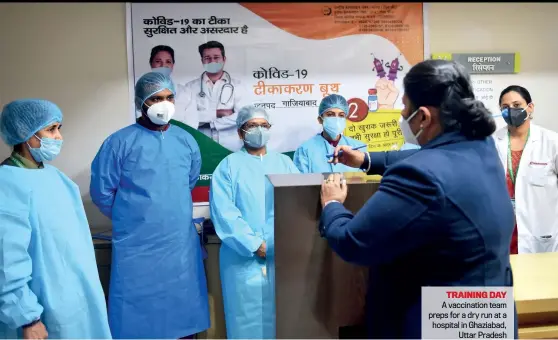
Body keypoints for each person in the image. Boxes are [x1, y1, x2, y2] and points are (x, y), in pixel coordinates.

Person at [319, 59, 517, 339]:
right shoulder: (482, 147)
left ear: (423, 117)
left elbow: (354, 242)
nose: (402, 113)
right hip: (485, 314)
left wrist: (333, 206)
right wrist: (366, 159)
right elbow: (424, 158)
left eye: (405, 107)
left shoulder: (420, 176)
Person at [90, 72, 209, 338]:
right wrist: (133, 217)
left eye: (169, 97)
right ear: (141, 102)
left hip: (179, 244)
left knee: (182, 314)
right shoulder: (119, 142)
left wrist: (165, 209)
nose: (163, 104)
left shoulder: (186, 140)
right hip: (137, 247)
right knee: (138, 319)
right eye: (156, 98)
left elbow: (187, 181)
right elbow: (101, 192)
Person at [0, 99, 111, 339]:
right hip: (40, 312)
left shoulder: (59, 180)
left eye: (59, 128)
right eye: (51, 130)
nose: (58, 137)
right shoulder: (6, 185)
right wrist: (27, 317)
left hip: (78, 303)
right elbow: (7, 261)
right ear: (24, 134)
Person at [209, 105, 299, 339]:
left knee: (284, 320)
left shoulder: (286, 165)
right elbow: (225, 213)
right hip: (242, 261)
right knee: (246, 322)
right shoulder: (227, 167)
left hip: (282, 259)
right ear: (240, 132)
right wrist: (254, 245)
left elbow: (298, 207)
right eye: (251, 125)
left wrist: (283, 244)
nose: (259, 130)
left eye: (264, 125)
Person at [493, 85, 558, 254]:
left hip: (541, 230)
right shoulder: (491, 142)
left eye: (516, 105)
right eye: (505, 107)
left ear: (530, 107)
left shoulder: (551, 142)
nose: (511, 110)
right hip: (504, 229)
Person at [177, 41, 246, 152]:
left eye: (216, 57)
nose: (212, 61)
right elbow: (185, 117)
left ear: (224, 59)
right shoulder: (189, 87)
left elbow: (241, 117)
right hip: (201, 144)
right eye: (207, 58)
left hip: (230, 146)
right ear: (202, 61)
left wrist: (207, 121)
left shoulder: (238, 86)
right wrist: (217, 113)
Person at [293, 94, 366, 173]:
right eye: (330, 115)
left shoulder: (358, 148)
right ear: (320, 119)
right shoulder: (305, 150)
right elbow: (301, 182)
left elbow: (365, 181)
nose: (336, 119)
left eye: (341, 115)